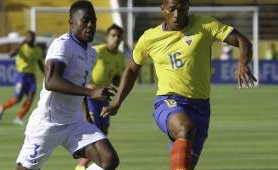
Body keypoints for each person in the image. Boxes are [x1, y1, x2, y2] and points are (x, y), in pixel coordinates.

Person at [101, 0, 257, 170]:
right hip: (168, 102)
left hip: (201, 108)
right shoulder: (149, 38)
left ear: (188, 8)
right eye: (172, 9)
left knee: (184, 166)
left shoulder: (205, 24)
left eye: (182, 9)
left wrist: (242, 62)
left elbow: (243, 42)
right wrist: (116, 102)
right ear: (163, 9)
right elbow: (131, 69)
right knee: (185, 127)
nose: (177, 14)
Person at [15, 1, 119, 170]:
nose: (90, 25)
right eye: (85, 20)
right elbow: (51, 81)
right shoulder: (62, 45)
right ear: (71, 21)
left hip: (74, 122)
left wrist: (86, 116)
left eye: (93, 20)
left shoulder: (91, 53)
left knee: (108, 160)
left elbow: (79, 86)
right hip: (48, 123)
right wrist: (91, 92)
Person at [76, 24, 125, 170]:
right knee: (94, 134)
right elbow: (82, 75)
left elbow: (116, 76)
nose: (115, 39)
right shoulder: (97, 52)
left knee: (102, 133)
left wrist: (120, 82)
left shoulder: (120, 57)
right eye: (113, 35)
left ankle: (84, 166)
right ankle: (81, 167)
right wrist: (91, 89)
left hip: (103, 100)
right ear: (107, 37)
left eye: (118, 36)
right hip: (89, 97)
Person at [0, 30, 44, 125]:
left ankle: (19, 117)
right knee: (18, 98)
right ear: (25, 38)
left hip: (31, 76)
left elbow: (39, 62)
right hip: (21, 75)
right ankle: (2, 107)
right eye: (29, 37)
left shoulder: (37, 49)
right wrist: (22, 43)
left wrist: (45, 73)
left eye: (32, 37)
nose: (31, 39)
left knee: (31, 98)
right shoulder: (21, 47)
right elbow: (11, 54)